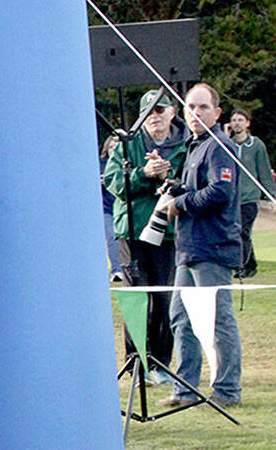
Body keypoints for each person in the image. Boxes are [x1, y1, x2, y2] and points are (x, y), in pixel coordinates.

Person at [157, 83, 243, 409]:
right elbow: (199, 188)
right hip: (189, 247)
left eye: (203, 107)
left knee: (218, 320)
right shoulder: (195, 146)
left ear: (217, 113)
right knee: (180, 317)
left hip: (213, 246)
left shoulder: (219, 146)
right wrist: (176, 188)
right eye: (191, 107)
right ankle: (184, 389)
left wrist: (180, 203)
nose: (196, 113)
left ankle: (227, 391)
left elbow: (220, 191)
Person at [102, 90, 189, 384]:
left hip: (168, 233)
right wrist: (143, 172)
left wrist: (168, 178)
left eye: (160, 110)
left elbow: (191, 185)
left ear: (172, 113)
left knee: (164, 299)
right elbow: (114, 183)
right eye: (149, 111)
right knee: (136, 298)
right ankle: (137, 362)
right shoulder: (127, 145)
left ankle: (161, 363)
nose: (155, 116)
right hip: (133, 232)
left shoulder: (185, 146)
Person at [226, 107, 273, 278]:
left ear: (247, 123)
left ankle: (243, 267)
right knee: (235, 232)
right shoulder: (227, 144)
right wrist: (225, 137)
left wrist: (271, 195)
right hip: (232, 199)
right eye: (234, 120)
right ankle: (249, 264)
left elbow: (264, 171)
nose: (237, 124)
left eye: (240, 120)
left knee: (243, 232)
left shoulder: (256, 145)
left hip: (249, 198)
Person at [98, 135, 123, 283]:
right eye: (111, 146)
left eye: (117, 146)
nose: (114, 149)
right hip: (107, 209)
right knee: (113, 239)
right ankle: (116, 270)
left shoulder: (126, 163)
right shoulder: (100, 164)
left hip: (123, 208)